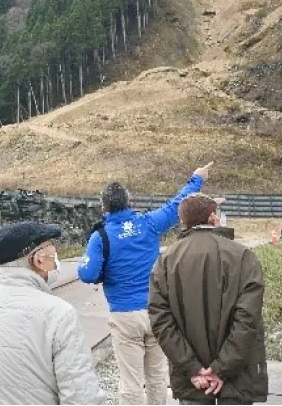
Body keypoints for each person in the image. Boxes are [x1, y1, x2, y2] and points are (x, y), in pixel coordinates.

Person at [78, 162, 214, 405]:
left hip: (124, 315)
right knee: (157, 376)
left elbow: (87, 273)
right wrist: (197, 178)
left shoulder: (101, 237)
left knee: (131, 382)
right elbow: (177, 204)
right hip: (156, 312)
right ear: (129, 202)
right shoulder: (149, 223)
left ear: (104, 208)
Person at [0, 220, 107, 405]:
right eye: (53, 253)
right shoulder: (59, 314)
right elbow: (81, 397)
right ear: (38, 260)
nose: (56, 260)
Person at [148, 193, 268, 406]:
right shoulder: (243, 256)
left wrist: (193, 369)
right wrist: (220, 369)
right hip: (237, 378)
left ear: (184, 222)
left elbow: (161, 321)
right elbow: (247, 319)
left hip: (192, 381)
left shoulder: (166, 261)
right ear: (213, 217)